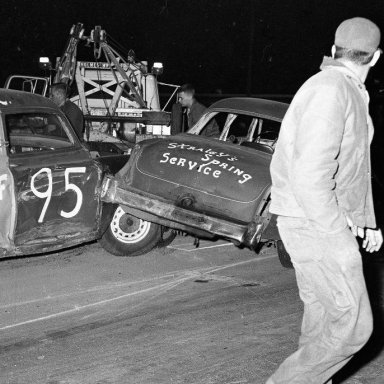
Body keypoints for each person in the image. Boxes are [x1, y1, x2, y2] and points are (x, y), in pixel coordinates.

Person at [267, 17, 383, 384]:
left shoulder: (343, 88)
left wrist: (365, 220)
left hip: (315, 220)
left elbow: (349, 167)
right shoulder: (332, 89)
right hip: (314, 224)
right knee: (355, 326)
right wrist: (338, 231)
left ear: (334, 51)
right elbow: (311, 175)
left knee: (323, 321)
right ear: (376, 58)